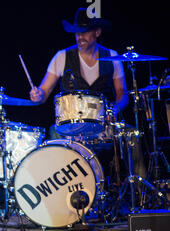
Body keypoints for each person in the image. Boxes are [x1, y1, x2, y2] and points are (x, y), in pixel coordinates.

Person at [29, 7, 129, 137]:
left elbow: (123, 94)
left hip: (102, 127)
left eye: (84, 32)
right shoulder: (61, 57)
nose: (80, 37)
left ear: (97, 32)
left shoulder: (112, 56)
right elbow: (44, 92)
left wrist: (113, 110)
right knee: (54, 133)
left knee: (133, 136)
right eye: (77, 33)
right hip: (71, 129)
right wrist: (38, 95)